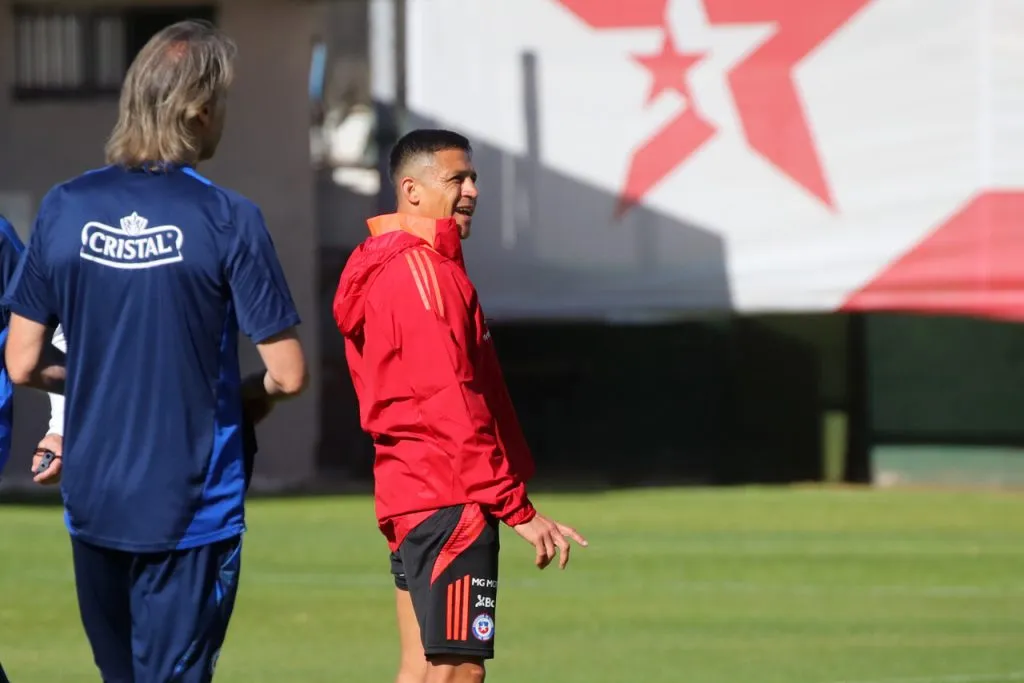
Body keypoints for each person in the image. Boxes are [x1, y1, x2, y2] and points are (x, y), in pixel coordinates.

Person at [2, 19, 307, 683]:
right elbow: (288, 373)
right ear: (200, 109)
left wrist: (97, 386)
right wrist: (239, 398)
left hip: (94, 503)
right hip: (190, 509)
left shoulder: (63, 207)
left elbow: (21, 361)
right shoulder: (230, 217)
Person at [333, 128, 589, 683]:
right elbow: (449, 400)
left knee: (421, 667)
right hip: (449, 496)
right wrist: (515, 507)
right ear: (412, 189)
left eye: (473, 178)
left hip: (413, 493)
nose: (472, 190)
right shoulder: (420, 272)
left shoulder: (394, 265)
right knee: (457, 671)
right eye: (457, 178)